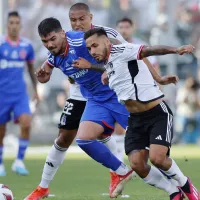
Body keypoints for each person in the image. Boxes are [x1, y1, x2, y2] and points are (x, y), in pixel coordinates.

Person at [73, 27, 199, 200]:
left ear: (107, 42)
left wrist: (175, 50)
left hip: (156, 113)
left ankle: (186, 185)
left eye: (95, 46)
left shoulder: (123, 49)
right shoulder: (107, 62)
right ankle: (173, 192)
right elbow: (118, 69)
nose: (92, 51)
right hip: (135, 120)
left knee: (158, 158)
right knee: (137, 164)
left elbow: (148, 51)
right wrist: (104, 73)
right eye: (89, 48)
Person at [24, 17, 135, 200]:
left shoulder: (87, 40)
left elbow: (115, 57)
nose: (77, 24)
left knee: (107, 135)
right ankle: (43, 187)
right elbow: (50, 63)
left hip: (104, 94)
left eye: (81, 19)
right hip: (79, 95)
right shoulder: (58, 49)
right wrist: (45, 73)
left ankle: (118, 174)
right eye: (73, 20)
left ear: (90, 18)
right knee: (64, 138)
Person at [0, 11, 39, 176]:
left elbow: (30, 69)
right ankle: (0, 164)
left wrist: (36, 91)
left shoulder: (27, 46)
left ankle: (19, 161)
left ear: (20, 25)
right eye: (11, 22)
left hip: (20, 94)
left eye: (17, 22)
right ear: (7, 25)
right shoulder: (1, 44)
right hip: (2, 94)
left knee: (27, 123)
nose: (14, 25)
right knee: (1, 131)